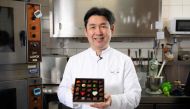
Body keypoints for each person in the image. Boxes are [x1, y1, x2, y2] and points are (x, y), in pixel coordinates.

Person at [57, 7, 142, 109]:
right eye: (92, 27)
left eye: (103, 26)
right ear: (86, 31)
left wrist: (112, 101)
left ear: (112, 29)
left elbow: (135, 96)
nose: (98, 32)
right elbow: (61, 92)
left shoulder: (125, 61)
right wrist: (72, 96)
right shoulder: (74, 61)